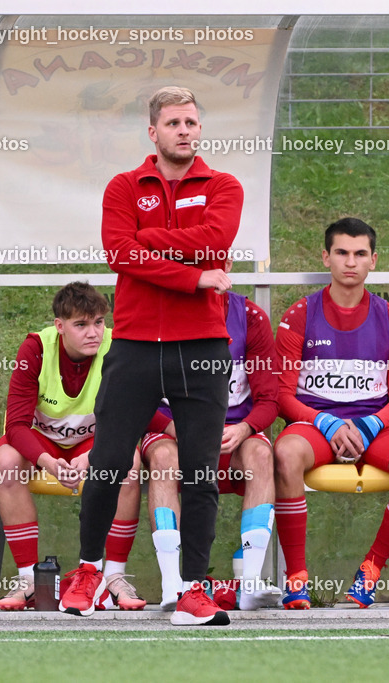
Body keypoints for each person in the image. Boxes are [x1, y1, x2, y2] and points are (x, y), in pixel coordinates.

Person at [59, 86, 242, 626]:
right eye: (173, 123)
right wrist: (193, 275)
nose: (184, 130)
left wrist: (149, 243)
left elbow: (214, 239)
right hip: (136, 346)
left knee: (200, 474)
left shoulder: (224, 184)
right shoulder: (122, 185)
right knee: (109, 464)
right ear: (153, 132)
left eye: (191, 122)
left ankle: (193, 588)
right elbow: (119, 252)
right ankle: (89, 571)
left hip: (203, 348)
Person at [273, 217, 389, 610]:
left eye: (360, 254)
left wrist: (367, 424)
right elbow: (282, 394)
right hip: (315, 422)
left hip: (372, 426)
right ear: (325, 257)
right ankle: (296, 578)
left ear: (373, 261)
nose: (351, 262)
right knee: (284, 455)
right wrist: (326, 422)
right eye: (342, 253)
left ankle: (371, 570)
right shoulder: (299, 316)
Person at [0, 282, 150, 611]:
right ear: (60, 326)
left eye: (98, 322)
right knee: (7, 460)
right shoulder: (35, 349)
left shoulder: (116, 346)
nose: (93, 332)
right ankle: (29, 581)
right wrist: (47, 460)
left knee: (130, 463)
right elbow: (17, 426)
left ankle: (113, 578)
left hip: (97, 440)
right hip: (43, 442)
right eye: (81, 325)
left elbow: (129, 416)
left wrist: (93, 456)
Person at [142, 289, 282, 611]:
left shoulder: (250, 316)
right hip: (174, 430)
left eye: (220, 258)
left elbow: (270, 398)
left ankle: (250, 583)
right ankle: (171, 585)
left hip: (232, 431)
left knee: (261, 455)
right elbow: (134, 395)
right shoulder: (158, 311)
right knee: (164, 458)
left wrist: (245, 427)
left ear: (228, 264)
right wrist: (175, 427)